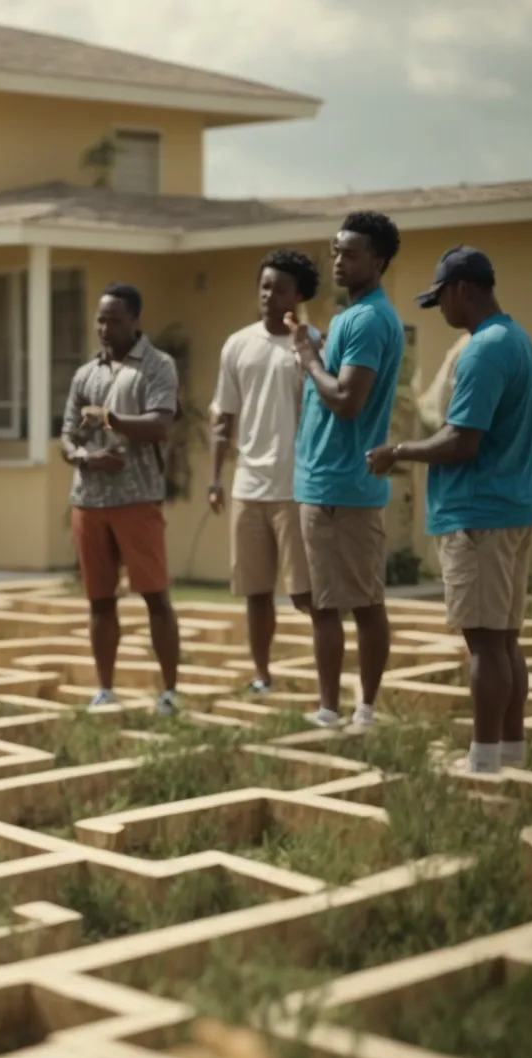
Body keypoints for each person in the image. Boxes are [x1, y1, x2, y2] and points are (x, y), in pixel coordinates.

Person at [368, 247, 532, 776]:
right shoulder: (518, 340)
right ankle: (510, 750)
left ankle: (483, 758)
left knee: (484, 644)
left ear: (461, 289)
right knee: (505, 639)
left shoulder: (484, 349)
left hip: (477, 513)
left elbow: (462, 441)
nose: (439, 310)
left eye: (439, 298)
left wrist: (398, 452)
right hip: (509, 508)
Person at [288, 211, 406, 730]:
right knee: (339, 602)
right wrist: (315, 354)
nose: (338, 260)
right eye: (335, 250)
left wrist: (309, 357)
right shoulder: (356, 317)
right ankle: (345, 709)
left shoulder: (367, 320)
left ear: (378, 261)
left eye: (351, 253)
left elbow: (346, 399)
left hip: (342, 483)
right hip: (327, 481)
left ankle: (347, 710)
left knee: (350, 605)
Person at [62, 283, 184, 716]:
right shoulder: (85, 374)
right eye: (100, 319)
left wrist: (111, 418)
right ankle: (105, 689)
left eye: (114, 319)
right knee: (99, 599)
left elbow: (159, 425)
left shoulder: (157, 366)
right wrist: (85, 457)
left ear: (135, 320)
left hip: (138, 499)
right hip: (89, 502)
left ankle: (169, 691)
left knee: (154, 597)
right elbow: (66, 437)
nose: (104, 328)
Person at [209, 251, 322, 693]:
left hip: (297, 487)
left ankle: (323, 681)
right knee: (256, 592)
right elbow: (224, 418)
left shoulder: (314, 344)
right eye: (263, 286)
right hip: (248, 488)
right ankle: (262, 676)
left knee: (305, 594)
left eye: (278, 287)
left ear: (298, 295)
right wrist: (216, 479)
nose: (267, 294)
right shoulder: (237, 345)